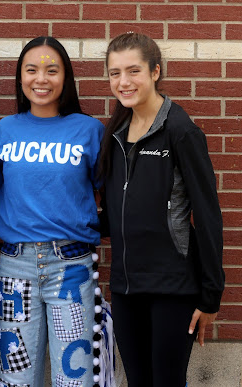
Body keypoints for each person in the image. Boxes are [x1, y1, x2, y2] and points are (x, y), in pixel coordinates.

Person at [98, 32, 224, 387]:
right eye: (114, 73)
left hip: (173, 288)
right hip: (125, 288)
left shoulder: (180, 132)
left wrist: (211, 296)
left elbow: (209, 216)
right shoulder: (118, 132)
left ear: (155, 72)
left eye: (133, 71)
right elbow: (114, 215)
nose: (123, 82)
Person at [0, 36, 106, 387]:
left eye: (51, 70)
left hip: (71, 267)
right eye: (32, 70)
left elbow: (104, 191)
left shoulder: (89, 130)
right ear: (20, 77)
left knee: (74, 377)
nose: (41, 79)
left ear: (65, 77)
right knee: (17, 378)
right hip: (15, 267)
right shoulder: (4, 131)